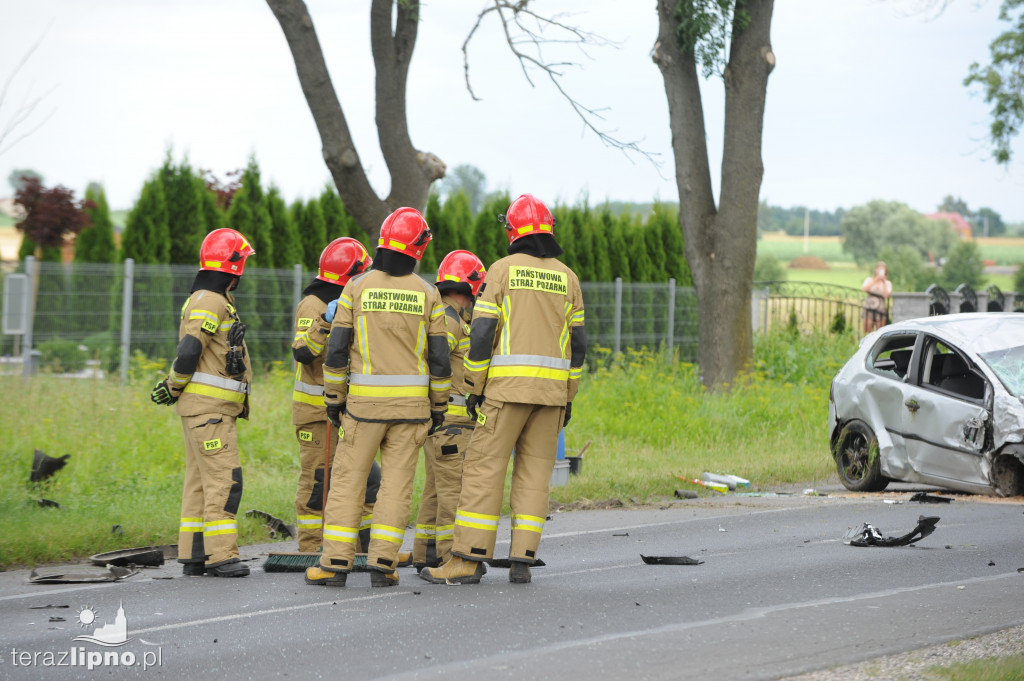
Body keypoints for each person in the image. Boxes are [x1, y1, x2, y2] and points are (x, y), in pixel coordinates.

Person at [421, 193, 586, 586]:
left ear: (512, 231)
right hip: (550, 398)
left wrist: (475, 387)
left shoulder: (502, 270)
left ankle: (467, 561)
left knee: (483, 471)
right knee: (534, 476)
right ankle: (522, 559)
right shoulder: (569, 278)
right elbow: (578, 346)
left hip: (505, 392)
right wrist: (568, 395)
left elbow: (481, 334)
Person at [304, 207, 451, 588]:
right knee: (396, 486)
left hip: (362, 410)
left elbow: (336, 352)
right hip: (412, 412)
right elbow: (439, 360)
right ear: (418, 248)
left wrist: (334, 399)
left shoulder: (356, 288)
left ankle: (334, 564)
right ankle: (383, 564)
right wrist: (438, 407)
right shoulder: (428, 293)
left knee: (348, 482)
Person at [150, 228, 255, 578]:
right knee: (226, 480)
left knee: (200, 482)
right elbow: (190, 348)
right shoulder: (211, 299)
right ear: (234, 265)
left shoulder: (208, 298)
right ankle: (222, 556)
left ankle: (195, 553)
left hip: (205, 410)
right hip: (210, 412)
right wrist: (173, 384)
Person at [291, 237, 380, 553]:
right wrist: (325, 323)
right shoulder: (314, 304)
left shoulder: (353, 303)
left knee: (368, 480)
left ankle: (364, 548)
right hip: (316, 416)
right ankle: (312, 547)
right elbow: (303, 352)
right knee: (319, 484)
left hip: (347, 413)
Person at [411, 250, 487, 571]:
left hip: (442, 425)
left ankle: (426, 551)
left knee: (436, 490)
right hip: (451, 424)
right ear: (468, 287)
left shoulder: (448, 316)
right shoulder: (451, 321)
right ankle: (449, 557)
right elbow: (436, 363)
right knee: (455, 492)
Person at [862, 261, 892, 333]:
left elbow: (886, 295)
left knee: (880, 332)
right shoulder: (869, 280)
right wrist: (876, 280)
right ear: (875, 270)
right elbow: (864, 289)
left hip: (880, 308)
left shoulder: (887, 283)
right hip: (869, 307)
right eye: (879, 269)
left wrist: (883, 281)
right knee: (867, 332)